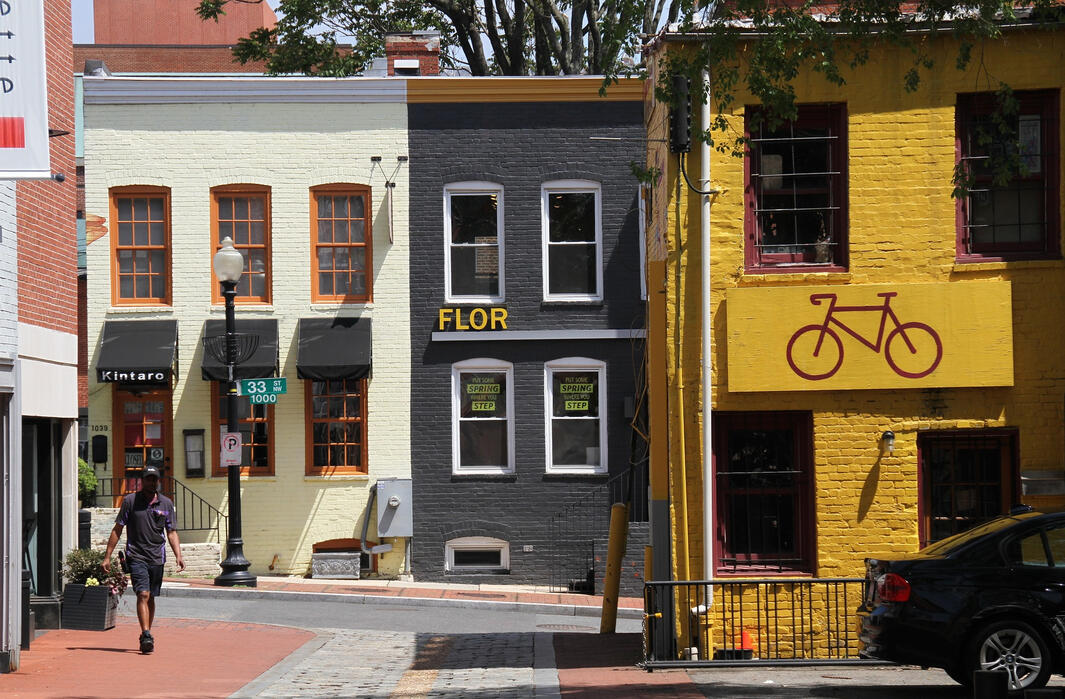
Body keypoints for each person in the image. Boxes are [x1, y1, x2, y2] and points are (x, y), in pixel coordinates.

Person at [102, 464, 185, 653]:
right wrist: (107, 556)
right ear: (142, 481)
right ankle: (146, 634)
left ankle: (147, 630)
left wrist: (178, 555)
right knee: (143, 594)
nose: (151, 482)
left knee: (151, 597)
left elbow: (171, 532)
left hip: (157, 557)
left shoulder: (166, 504)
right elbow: (118, 529)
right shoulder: (130, 501)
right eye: (148, 479)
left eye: (154, 479)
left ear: (158, 481)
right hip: (136, 555)